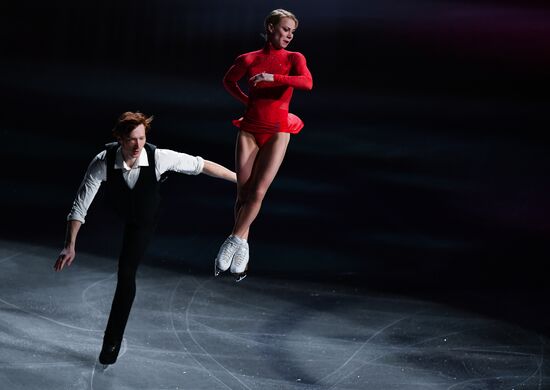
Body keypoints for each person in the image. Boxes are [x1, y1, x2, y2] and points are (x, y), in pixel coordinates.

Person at [53, 111, 236, 366]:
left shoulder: (158, 157)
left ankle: (112, 340)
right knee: (120, 257)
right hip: (117, 210)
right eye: (131, 139)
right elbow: (80, 205)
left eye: (142, 138)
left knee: (125, 273)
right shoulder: (102, 161)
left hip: (143, 220)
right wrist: (69, 245)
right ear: (119, 138)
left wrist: (240, 181)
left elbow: (201, 164)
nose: (138, 145)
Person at [214, 8, 313, 281]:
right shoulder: (249, 59)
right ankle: (244, 243)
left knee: (258, 192)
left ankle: (234, 239)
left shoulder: (295, 58)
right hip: (249, 130)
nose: (289, 35)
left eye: (292, 31)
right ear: (270, 27)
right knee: (243, 193)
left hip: (279, 131)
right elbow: (228, 80)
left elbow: (307, 83)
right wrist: (247, 101)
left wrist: (274, 78)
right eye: (284, 29)